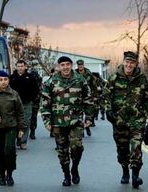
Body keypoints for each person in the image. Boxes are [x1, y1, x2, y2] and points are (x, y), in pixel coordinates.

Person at [41, 56, 93, 186]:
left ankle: (74, 168)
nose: (65, 67)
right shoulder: (52, 81)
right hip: (58, 122)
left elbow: (88, 100)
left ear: (71, 65)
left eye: (67, 64)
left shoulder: (80, 80)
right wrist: (47, 122)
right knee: (62, 151)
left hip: (75, 121)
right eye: (62, 65)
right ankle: (66, 175)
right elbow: (45, 102)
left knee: (77, 147)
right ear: (59, 66)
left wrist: (89, 117)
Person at [105, 51, 148, 189]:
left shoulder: (142, 79)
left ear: (136, 64)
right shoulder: (114, 78)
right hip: (119, 121)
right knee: (122, 150)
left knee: (136, 148)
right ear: (123, 62)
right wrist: (108, 110)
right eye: (127, 62)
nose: (129, 65)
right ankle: (125, 170)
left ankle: (135, 176)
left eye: (132, 63)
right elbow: (106, 96)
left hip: (137, 120)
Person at [10, 60, 39, 149]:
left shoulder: (30, 77)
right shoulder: (12, 77)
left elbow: (36, 90)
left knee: (26, 122)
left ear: (25, 67)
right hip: (14, 104)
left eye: (22, 66)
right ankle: (16, 139)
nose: (20, 68)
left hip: (27, 103)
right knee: (15, 122)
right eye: (18, 66)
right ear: (16, 67)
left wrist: (33, 100)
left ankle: (23, 141)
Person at [75, 59, 97, 135]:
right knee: (79, 114)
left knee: (88, 113)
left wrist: (95, 96)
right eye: (79, 65)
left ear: (83, 65)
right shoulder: (74, 73)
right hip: (78, 96)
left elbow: (94, 85)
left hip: (88, 96)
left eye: (81, 65)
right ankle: (81, 130)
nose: (80, 66)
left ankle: (87, 127)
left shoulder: (89, 74)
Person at [29, 68, 43, 140]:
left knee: (33, 116)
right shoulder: (30, 78)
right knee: (33, 117)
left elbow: (40, 90)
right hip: (31, 100)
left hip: (34, 100)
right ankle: (32, 132)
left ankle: (32, 131)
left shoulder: (38, 79)